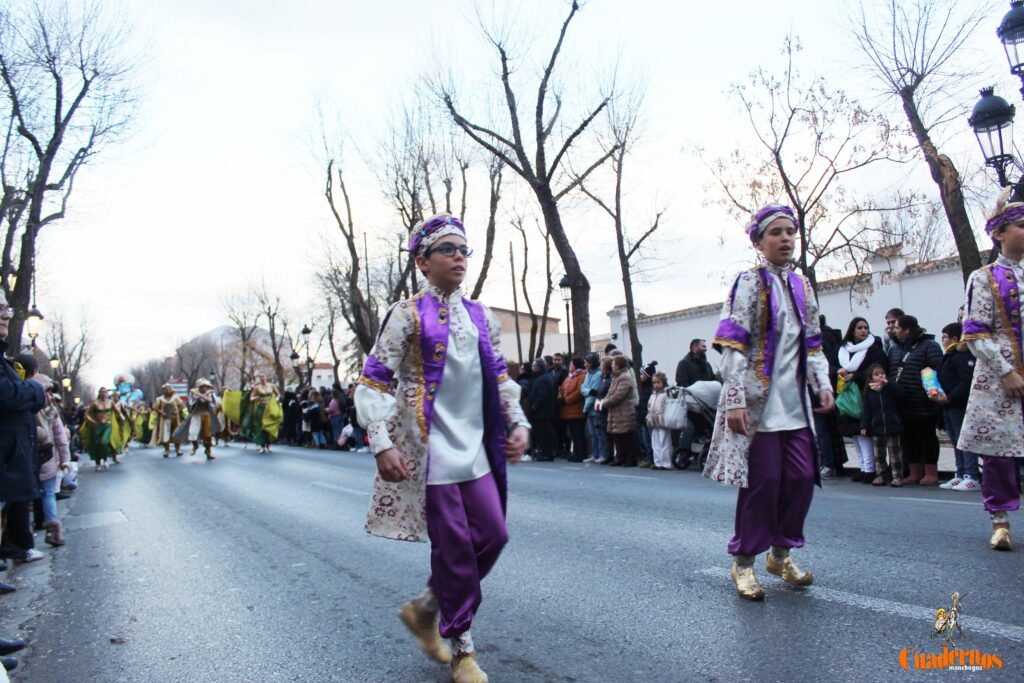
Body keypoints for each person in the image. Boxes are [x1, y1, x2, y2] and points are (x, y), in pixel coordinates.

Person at [354, 213, 530, 682]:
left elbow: (500, 377)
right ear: (422, 261)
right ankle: (463, 648)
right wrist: (381, 442)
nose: (459, 258)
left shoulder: (481, 316)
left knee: (493, 536)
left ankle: (428, 607)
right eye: (448, 250)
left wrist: (518, 423)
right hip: (430, 453)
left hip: (477, 448)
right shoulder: (406, 314)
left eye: (463, 250)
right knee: (453, 549)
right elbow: (374, 380)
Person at [703, 204, 834, 601]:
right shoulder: (748, 282)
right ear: (759, 242)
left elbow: (812, 342)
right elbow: (733, 344)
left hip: (795, 406)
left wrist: (822, 383)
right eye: (776, 233)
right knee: (764, 484)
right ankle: (744, 561)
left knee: (800, 480)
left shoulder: (802, 285)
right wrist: (737, 400)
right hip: (758, 406)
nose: (786, 239)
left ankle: (781, 554)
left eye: (790, 232)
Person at [959, 190, 1024, 550]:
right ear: (999, 233)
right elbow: (976, 333)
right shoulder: (984, 278)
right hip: (1000, 377)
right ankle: (1000, 521)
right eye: (1021, 226)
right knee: (998, 453)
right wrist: (1007, 371)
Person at [0, 347, 46, 566]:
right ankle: (18, 546)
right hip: (10, 453)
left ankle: (14, 545)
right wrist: (36, 389)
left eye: (7, 309)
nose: (6, 315)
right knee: (14, 502)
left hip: (16, 451)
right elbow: (7, 395)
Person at [886, 315, 943, 485]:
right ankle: (914, 472)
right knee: (909, 439)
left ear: (907, 329)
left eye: (896, 327)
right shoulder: (895, 348)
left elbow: (938, 369)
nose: (893, 330)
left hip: (924, 402)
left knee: (927, 437)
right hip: (903, 403)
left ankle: (931, 472)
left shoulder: (929, 346)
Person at [836, 317, 887, 483]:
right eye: (859, 328)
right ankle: (863, 467)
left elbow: (878, 370)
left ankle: (870, 468)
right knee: (854, 434)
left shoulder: (874, 349)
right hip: (847, 396)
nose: (863, 330)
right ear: (852, 330)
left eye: (866, 327)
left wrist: (855, 376)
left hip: (865, 395)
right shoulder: (843, 350)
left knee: (864, 432)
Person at [934, 323, 980, 492]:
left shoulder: (962, 355)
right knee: (955, 440)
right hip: (948, 405)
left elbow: (966, 382)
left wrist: (950, 397)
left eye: (945, 337)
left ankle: (972, 475)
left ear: (954, 338)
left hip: (959, 404)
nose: (943, 341)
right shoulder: (950, 355)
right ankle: (960, 472)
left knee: (965, 440)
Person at [859, 363, 904, 487]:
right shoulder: (869, 392)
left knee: (895, 454)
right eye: (876, 374)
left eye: (882, 374)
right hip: (877, 427)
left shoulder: (890, 387)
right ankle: (881, 476)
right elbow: (867, 411)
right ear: (870, 378)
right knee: (878, 455)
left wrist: (889, 383)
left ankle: (897, 477)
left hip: (893, 425)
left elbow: (902, 395)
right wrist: (864, 426)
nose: (880, 376)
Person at [600, 355, 639, 467]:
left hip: (624, 411)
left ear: (618, 365)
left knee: (626, 436)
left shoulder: (625, 377)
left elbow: (619, 395)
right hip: (616, 412)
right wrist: (605, 400)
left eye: (613, 363)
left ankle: (630, 459)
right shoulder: (616, 377)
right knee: (617, 436)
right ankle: (620, 457)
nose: (612, 365)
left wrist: (605, 403)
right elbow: (610, 393)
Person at [174, 378, 220, 460]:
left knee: (207, 435)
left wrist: (201, 396)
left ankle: (208, 451)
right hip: (196, 414)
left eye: (205, 386)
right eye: (202, 386)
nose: (204, 388)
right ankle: (195, 444)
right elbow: (192, 401)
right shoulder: (193, 392)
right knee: (192, 433)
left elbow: (211, 402)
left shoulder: (210, 393)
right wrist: (200, 396)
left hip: (207, 415)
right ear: (199, 386)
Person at [557, 356, 587, 462]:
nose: (569, 366)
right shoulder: (569, 377)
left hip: (577, 410)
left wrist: (567, 400)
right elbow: (561, 388)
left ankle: (581, 453)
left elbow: (579, 392)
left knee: (578, 433)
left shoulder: (582, 376)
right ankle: (575, 452)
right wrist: (560, 397)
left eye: (571, 364)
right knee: (573, 434)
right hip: (567, 410)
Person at [528, 358, 558, 462]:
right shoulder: (543, 377)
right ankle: (547, 452)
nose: (532, 368)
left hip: (543, 412)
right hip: (545, 411)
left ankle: (547, 452)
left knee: (544, 433)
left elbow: (542, 395)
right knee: (546, 431)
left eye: (533, 366)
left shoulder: (543, 379)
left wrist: (534, 406)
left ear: (538, 367)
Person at [81, 388, 117, 471]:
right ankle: (98, 463)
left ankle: (105, 459)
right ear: (99, 393)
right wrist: (91, 421)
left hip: (107, 425)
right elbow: (86, 414)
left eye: (105, 392)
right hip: (97, 426)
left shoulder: (110, 402)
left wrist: (123, 419)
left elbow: (117, 412)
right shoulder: (95, 403)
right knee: (96, 444)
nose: (104, 394)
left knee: (104, 441)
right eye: (102, 392)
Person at [247, 374, 281, 454]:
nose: (262, 378)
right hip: (261, 408)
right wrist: (256, 398)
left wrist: (276, 399)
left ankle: (268, 445)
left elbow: (278, 394)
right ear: (259, 379)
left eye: (264, 377)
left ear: (266, 378)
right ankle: (262, 446)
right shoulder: (257, 387)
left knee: (269, 426)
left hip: (270, 408)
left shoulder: (271, 386)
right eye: (261, 377)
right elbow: (251, 398)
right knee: (261, 427)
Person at [581, 353, 605, 464]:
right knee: (592, 434)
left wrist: (585, 408)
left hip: (595, 407)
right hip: (589, 408)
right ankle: (595, 454)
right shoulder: (588, 374)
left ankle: (602, 454)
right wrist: (588, 391)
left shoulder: (598, 375)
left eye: (586, 362)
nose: (584, 364)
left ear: (591, 363)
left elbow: (593, 393)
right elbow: (583, 388)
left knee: (599, 433)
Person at [646, 372, 673, 470]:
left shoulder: (666, 394)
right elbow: (650, 407)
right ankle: (658, 462)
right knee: (655, 442)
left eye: (658, 382)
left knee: (664, 442)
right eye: (654, 383)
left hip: (663, 421)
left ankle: (666, 463)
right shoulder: (652, 395)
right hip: (654, 421)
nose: (656, 385)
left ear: (664, 383)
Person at [150, 384, 185, 457]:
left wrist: (177, 411)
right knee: (165, 435)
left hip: (175, 418)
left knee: (176, 434)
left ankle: (178, 449)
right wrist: (160, 412)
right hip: (165, 419)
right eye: (166, 389)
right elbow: (154, 407)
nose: (168, 391)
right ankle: (166, 450)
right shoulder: (160, 399)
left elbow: (182, 405)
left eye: (169, 389)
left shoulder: (175, 398)